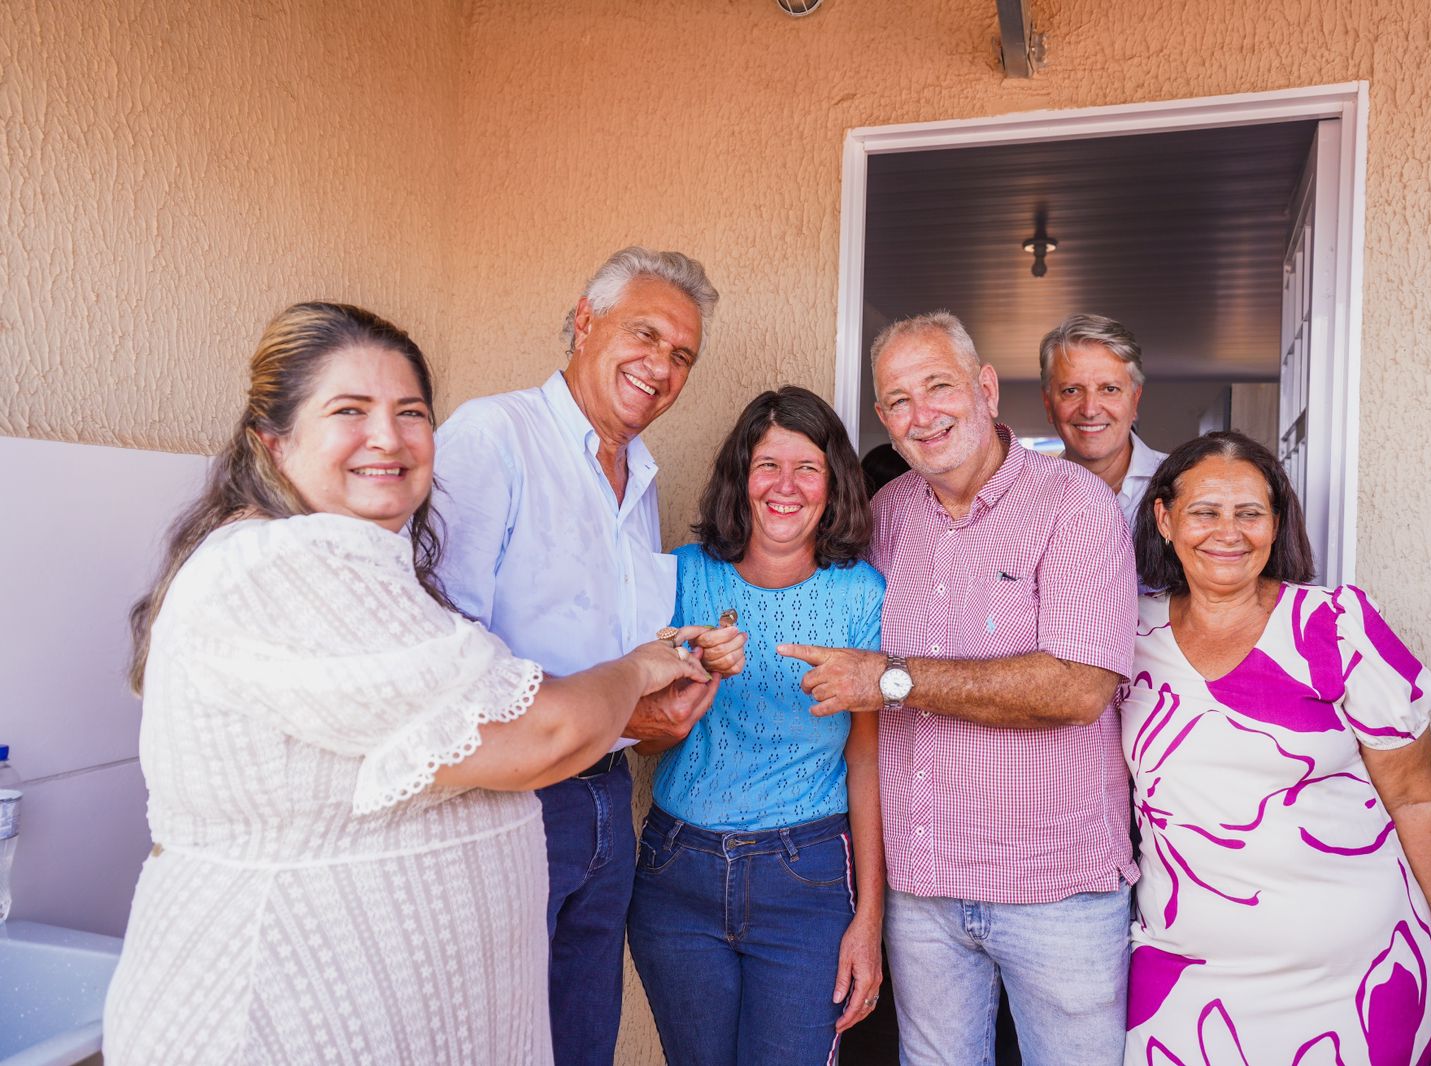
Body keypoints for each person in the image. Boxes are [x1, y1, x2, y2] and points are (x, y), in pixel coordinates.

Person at [102, 302, 713, 1065]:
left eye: (410, 412)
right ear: (274, 440)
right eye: (349, 411)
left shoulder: (361, 560)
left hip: (589, 792)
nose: (387, 438)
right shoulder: (284, 564)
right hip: (279, 1017)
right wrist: (637, 673)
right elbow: (535, 728)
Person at [779, 311, 1138, 1065]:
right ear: (882, 418)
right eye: (899, 400)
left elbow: (1078, 688)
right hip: (925, 890)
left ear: (985, 389)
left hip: (1056, 887)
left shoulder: (1075, 506)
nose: (922, 414)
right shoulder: (885, 517)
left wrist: (894, 680)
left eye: (938, 386)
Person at [430, 246, 745, 1065]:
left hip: (606, 801)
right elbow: (445, 653)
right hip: (510, 799)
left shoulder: (639, 476)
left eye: (682, 356)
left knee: (580, 1042)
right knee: (493, 1043)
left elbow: (608, 654)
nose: (661, 367)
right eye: (645, 335)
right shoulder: (492, 435)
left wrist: (671, 691)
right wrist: (627, 708)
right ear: (584, 320)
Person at [1121, 430, 1431, 1066]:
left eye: (1250, 513)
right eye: (1205, 511)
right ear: (1164, 518)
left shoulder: (1335, 626)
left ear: (1276, 523)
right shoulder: (1127, 631)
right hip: (1186, 976)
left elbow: (1419, 798)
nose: (1228, 532)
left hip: (1359, 979)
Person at [627, 386, 887, 1064]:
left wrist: (869, 921)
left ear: (833, 486)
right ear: (741, 476)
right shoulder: (680, 578)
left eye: (808, 468)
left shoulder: (863, 595)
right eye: (768, 464)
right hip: (676, 869)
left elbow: (867, 761)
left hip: (807, 880)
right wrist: (692, 684)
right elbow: (643, 738)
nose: (786, 486)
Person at [1040, 313, 1166, 527]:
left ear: (1135, 400)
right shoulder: (1028, 498)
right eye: (1071, 390)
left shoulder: (1181, 482)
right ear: (1048, 404)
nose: (1090, 410)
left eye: (1109, 389)